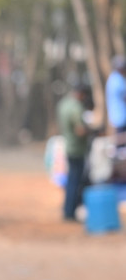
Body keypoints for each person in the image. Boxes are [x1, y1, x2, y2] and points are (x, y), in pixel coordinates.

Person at [56, 79, 89, 222]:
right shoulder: (76, 107)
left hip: (68, 145)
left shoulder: (63, 104)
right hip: (77, 148)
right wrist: (91, 130)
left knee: (71, 180)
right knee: (76, 181)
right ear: (80, 93)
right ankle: (70, 212)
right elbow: (80, 130)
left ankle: (67, 210)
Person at [105, 55, 126, 134]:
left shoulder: (113, 78)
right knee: (122, 142)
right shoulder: (117, 80)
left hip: (118, 117)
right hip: (120, 117)